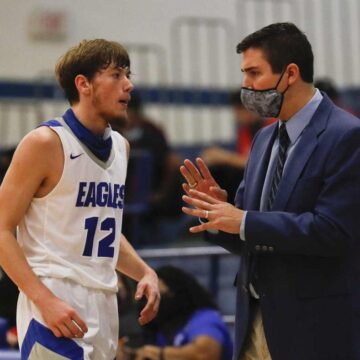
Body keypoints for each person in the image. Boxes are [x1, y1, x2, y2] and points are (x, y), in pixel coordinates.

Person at [180, 22, 360, 360]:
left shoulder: (347, 135)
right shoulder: (264, 138)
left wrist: (243, 220)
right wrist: (217, 215)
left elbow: (334, 231)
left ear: (290, 73)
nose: (245, 84)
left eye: (253, 73)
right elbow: (252, 234)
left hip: (315, 327)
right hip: (253, 321)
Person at [0, 39, 160, 359]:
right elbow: (2, 228)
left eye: (128, 75)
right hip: (54, 295)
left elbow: (104, 229)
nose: (128, 85)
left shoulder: (121, 147)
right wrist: (43, 299)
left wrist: (144, 271)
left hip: (104, 299)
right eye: (116, 75)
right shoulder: (45, 142)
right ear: (83, 84)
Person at [134, 266, 233, 360]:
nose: (151, 301)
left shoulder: (204, 317)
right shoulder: (161, 329)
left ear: (176, 292)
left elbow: (206, 353)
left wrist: (160, 354)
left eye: (159, 295)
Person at [201, 91, 274, 200]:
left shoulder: (272, 126)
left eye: (238, 111)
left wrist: (225, 157)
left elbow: (264, 165)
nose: (236, 117)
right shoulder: (244, 131)